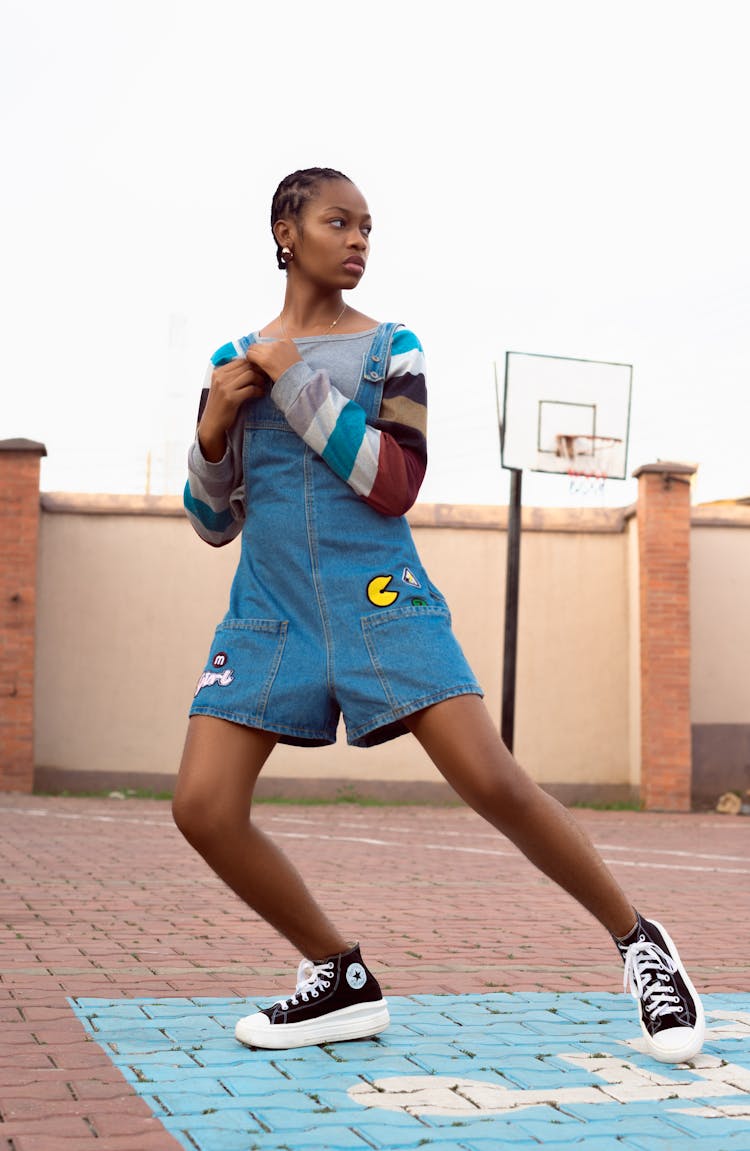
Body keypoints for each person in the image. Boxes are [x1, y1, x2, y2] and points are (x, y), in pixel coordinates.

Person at [173, 167, 704, 1065]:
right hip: (269, 613)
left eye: (368, 227)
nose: (358, 241)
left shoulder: (393, 348)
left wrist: (297, 379)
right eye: (338, 222)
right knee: (202, 807)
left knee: (492, 779)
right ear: (285, 232)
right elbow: (212, 521)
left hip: (383, 603)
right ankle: (338, 973)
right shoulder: (232, 359)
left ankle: (642, 943)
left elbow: (393, 482)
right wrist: (214, 431)